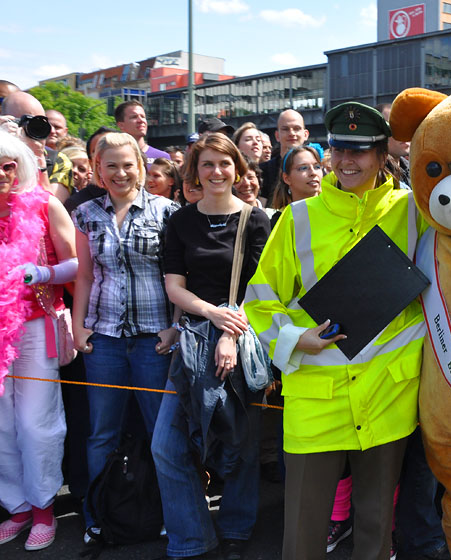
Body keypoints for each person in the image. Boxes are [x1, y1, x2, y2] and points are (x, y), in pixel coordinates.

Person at [245, 102, 425, 560]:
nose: (348, 160)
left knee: (376, 527)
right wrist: (294, 339)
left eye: (361, 150)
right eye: (340, 148)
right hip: (315, 399)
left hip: (388, 393)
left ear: (383, 153)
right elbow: (260, 301)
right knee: (303, 530)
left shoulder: (414, 213)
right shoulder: (297, 219)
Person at [151, 133, 270, 560]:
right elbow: (174, 286)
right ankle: (192, 538)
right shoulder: (180, 222)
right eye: (207, 165)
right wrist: (213, 315)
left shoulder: (258, 221)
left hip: (243, 339)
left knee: (240, 443)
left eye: (224, 163)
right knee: (167, 445)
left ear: (238, 168)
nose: (216, 172)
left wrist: (230, 333)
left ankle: (237, 529)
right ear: (195, 172)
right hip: (192, 343)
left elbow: (263, 292)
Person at [71, 132, 179, 542]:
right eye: (110, 165)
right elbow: (84, 275)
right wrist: (79, 326)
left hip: (154, 339)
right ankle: (97, 516)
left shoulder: (167, 212)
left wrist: (174, 325)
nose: (119, 173)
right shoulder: (86, 214)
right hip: (105, 340)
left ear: (141, 165)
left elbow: (176, 277)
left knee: (161, 432)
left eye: (127, 164)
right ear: (98, 169)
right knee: (102, 432)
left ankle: (170, 512)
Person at [0, 130, 76, 551]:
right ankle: (17, 508)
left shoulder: (44, 204)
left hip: (33, 327)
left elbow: (76, 262)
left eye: (8, 164)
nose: (1, 173)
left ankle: (45, 509)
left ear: (20, 165)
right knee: (1, 425)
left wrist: (43, 273)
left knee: (36, 423)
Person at [260, 109, 309, 203]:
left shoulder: (317, 169)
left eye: (297, 128)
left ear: (305, 134)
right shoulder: (264, 170)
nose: (291, 133)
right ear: (277, 136)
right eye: (285, 129)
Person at [270, 145, 323, 212]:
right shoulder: (281, 218)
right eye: (303, 168)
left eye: (317, 167)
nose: (313, 173)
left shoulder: (335, 209)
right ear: (287, 178)